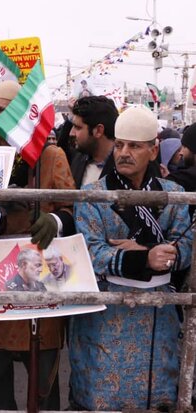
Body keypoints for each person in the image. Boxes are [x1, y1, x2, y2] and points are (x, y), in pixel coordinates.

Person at [71, 106, 192, 410]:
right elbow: (92, 251)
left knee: (158, 398)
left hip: (159, 315)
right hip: (106, 316)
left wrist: (146, 249)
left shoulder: (174, 194)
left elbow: (187, 245)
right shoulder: (92, 195)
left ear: (153, 151)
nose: (124, 152)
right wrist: (149, 256)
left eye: (135, 146)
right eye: (120, 145)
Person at [0, 80, 74, 410]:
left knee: (44, 390)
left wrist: (55, 221)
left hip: (40, 290)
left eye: (1, 110)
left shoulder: (50, 156)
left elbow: (73, 210)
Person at [69, 96, 119, 188]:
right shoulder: (77, 159)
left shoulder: (124, 166)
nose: (71, 133)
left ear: (98, 131)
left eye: (78, 127)